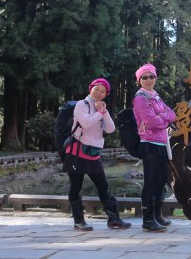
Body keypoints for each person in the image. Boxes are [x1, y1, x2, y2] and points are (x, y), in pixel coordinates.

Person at [63, 78, 131, 231]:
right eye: (97, 89)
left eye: (103, 91)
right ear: (90, 89)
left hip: (93, 153)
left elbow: (110, 129)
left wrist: (104, 112)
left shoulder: (101, 108)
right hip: (76, 152)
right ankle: (78, 221)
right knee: (76, 186)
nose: (99, 93)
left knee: (103, 186)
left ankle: (114, 219)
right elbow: (86, 123)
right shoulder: (82, 104)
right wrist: (99, 113)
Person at [133, 63, 176, 232]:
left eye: (151, 76)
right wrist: (162, 118)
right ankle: (148, 220)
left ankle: (157, 215)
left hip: (161, 143)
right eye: (145, 77)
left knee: (160, 180)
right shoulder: (140, 98)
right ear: (139, 80)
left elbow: (172, 115)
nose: (149, 80)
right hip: (149, 143)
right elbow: (151, 121)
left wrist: (162, 117)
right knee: (150, 182)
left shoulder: (156, 97)